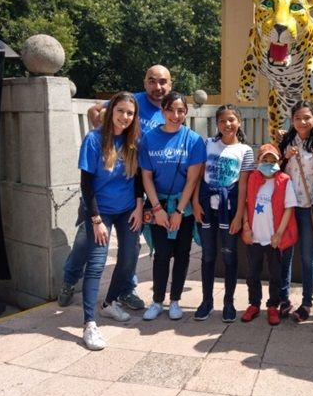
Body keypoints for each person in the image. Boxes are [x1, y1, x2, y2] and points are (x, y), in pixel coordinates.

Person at [57, 91, 143, 351]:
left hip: (127, 209)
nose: (125, 117)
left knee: (128, 259)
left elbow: (138, 179)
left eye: (130, 113)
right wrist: (95, 219)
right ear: (111, 111)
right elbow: (86, 184)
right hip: (99, 210)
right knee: (96, 263)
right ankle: (89, 324)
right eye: (121, 111)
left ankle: (108, 304)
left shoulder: (133, 141)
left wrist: (139, 207)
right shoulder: (94, 140)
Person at [86, 64, 173, 311]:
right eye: (152, 81)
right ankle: (71, 279)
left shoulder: (170, 110)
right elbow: (94, 110)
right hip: (115, 184)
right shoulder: (132, 100)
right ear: (145, 83)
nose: (158, 87)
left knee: (131, 243)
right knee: (87, 242)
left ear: (170, 84)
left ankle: (126, 290)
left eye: (163, 82)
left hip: (144, 180)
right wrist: (103, 134)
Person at [140, 91, 206, 321]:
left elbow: (192, 180)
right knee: (161, 254)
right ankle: (157, 300)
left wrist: (179, 211)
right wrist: (157, 209)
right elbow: (146, 176)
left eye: (180, 111)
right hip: (158, 205)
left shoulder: (194, 140)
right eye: (170, 110)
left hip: (183, 207)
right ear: (162, 111)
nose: (175, 115)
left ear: (186, 113)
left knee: (182, 253)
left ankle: (175, 300)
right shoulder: (149, 138)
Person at [193, 105, 254, 323]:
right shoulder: (207, 144)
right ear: (217, 123)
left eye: (231, 120)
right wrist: (195, 203)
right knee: (208, 256)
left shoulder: (245, 151)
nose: (227, 124)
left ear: (239, 122)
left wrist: (239, 216)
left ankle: (229, 302)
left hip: (229, 211)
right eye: (222, 121)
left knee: (229, 256)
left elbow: (244, 187)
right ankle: (206, 301)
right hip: (207, 209)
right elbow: (197, 176)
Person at [278, 101, 313, 323]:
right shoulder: (286, 141)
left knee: (307, 257)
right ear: (292, 120)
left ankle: (307, 302)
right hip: (288, 206)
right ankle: (284, 299)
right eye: (297, 118)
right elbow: (275, 171)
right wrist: (285, 156)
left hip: (308, 206)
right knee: (285, 254)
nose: (302, 122)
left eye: (307, 117)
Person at [240, 144, 298, 325]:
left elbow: (289, 208)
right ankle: (254, 304)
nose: (268, 163)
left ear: (279, 162)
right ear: (258, 160)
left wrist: (279, 234)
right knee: (252, 273)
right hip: (255, 237)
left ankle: (273, 305)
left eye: (272, 160)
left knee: (276, 274)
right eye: (264, 159)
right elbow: (245, 203)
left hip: (273, 239)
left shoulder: (284, 180)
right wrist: (246, 227)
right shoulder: (252, 178)